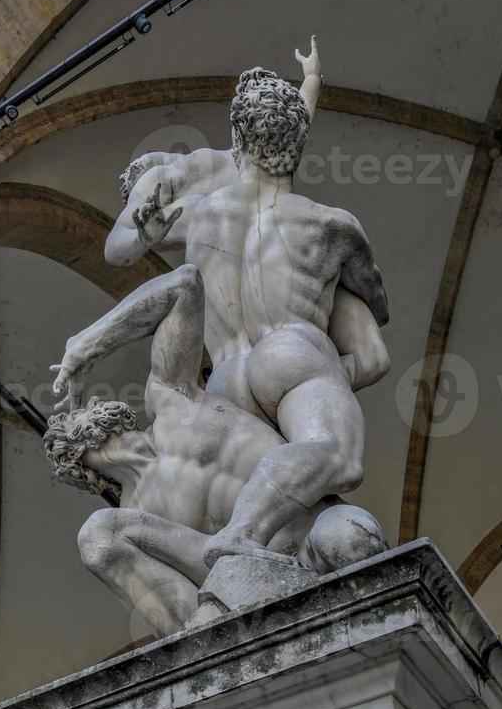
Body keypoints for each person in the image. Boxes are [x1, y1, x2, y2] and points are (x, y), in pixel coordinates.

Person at [80, 41, 391, 567]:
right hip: (294, 352)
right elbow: (377, 304)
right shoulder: (332, 224)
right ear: (297, 146)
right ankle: (239, 536)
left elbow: (122, 249)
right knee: (334, 455)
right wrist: (330, 367)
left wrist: (141, 234)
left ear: (237, 143)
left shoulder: (200, 212)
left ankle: (257, 558)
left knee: (292, 507)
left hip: (225, 381)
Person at [46, 264, 387, 636]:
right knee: (97, 535)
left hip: (311, 535)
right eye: (68, 426)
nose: (78, 415)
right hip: (241, 582)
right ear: (80, 471)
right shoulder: (137, 512)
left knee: (350, 541)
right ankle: (199, 643)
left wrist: (87, 343)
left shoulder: (169, 398)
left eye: (78, 412)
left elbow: (184, 284)